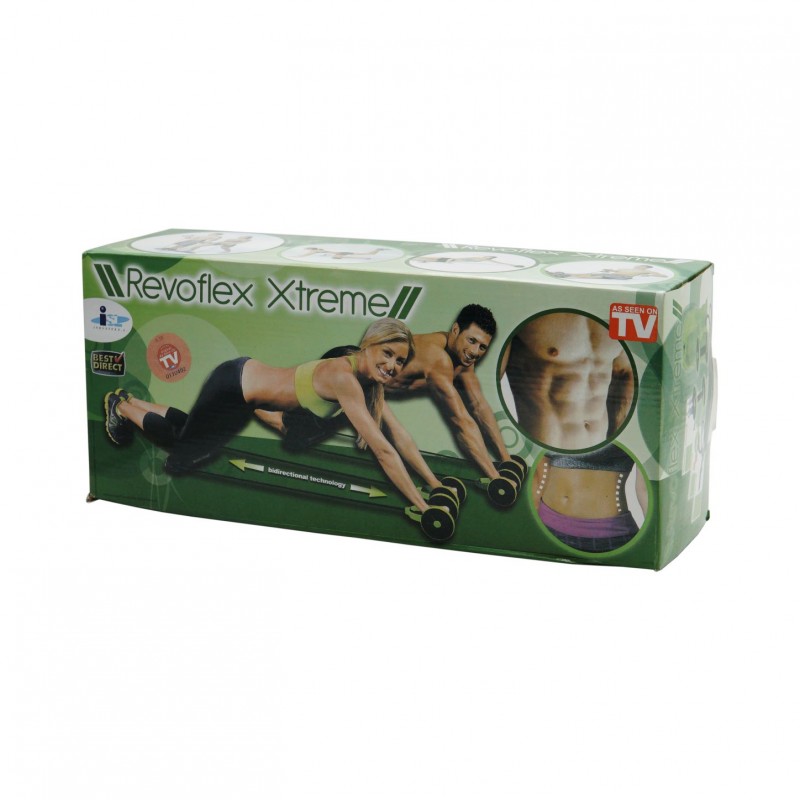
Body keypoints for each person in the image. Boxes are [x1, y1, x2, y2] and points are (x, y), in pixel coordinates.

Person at [103, 320, 440, 512]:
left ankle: (132, 400)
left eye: (400, 361)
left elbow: (398, 435)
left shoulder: (364, 378)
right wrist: (423, 509)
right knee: (182, 452)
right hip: (233, 386)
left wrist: (436, 485)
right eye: (388, 353)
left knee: (196, 435)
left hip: (242, 386)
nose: (392, 366)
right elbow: (383, 450)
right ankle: (121, 407)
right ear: (369, 344)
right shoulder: (344, 378)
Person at [255, 305, 511, 481]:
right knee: (296, 434)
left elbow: (479, 407)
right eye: (471, 341)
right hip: (351, 369)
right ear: (455, 330)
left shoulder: (462, 359)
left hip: (369, 386)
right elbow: (460, 420)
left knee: (377, 425)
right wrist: (495, 478)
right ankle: (252, 401)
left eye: (482, 347)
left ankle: (259, 395)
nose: (475, 351)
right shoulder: (439, 359)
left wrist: (506, 460)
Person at [500, 312, 634, 450]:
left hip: (599, 442)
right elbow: (490, 376)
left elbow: (624, 373)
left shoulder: (616, 308)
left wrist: (617, 442)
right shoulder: (528, 306)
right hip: (545, 446)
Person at [532, 444, 648, 553]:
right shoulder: (549, 429)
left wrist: (653, 539)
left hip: (609, 538)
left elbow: (645, 489)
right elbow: (539, 475)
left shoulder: (635, 430)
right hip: (547, 527)